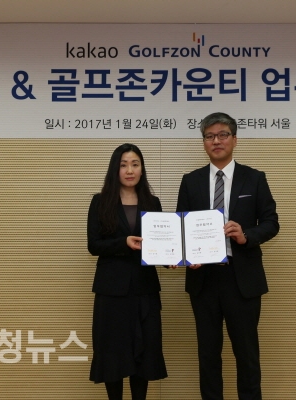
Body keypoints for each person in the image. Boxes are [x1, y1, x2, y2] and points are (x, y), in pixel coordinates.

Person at [176, 112, 279, 400]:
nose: (216, 141)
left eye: (223, 135)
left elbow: (271, 223)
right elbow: (181, 227)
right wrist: (184, 255)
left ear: (235, 139)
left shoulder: (254, 178)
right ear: (204, 142)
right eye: (209, 136)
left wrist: (246, 235)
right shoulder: (191, 181)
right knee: (208, 355)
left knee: (246, 355)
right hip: (203, 277)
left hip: (242, 278)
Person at [87, 143, 168, 400]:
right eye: (123, 165)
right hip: (112, 292)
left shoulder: (152, 203)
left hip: (145, 290)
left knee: (143, 354)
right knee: (113, 355)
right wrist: (123, 243)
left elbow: (161, 244)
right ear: (115, 169)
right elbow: (93, 245)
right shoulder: (100, 201)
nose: (129, 170)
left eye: (135, 164)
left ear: (142, 169)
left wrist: (171, 259)